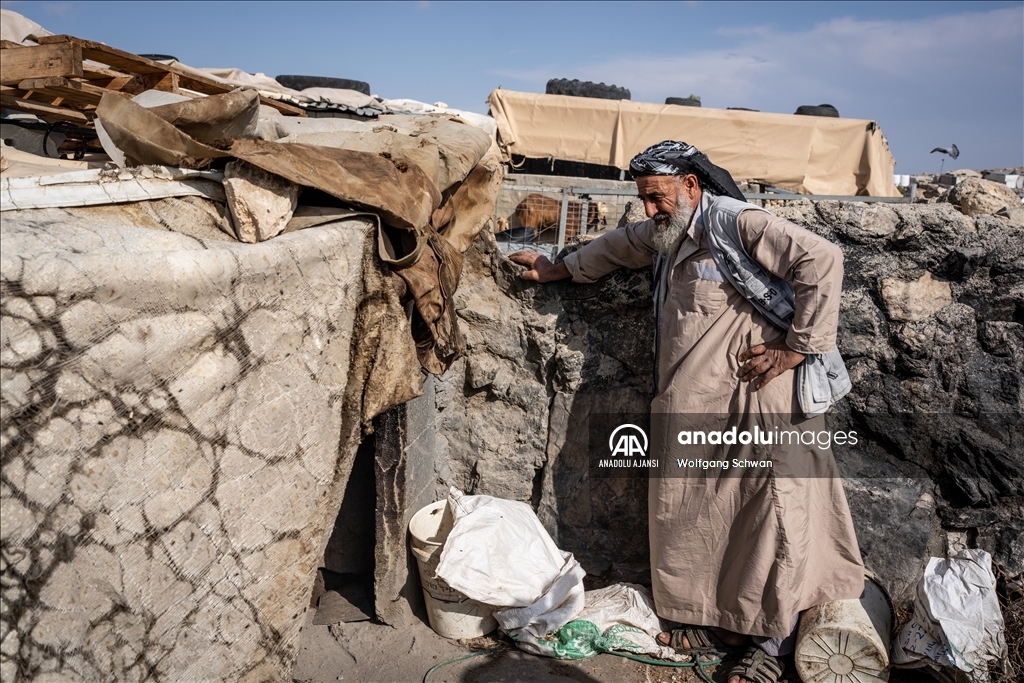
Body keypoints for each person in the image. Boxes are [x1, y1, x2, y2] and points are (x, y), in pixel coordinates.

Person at [509, 141, 865, 683]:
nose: (650, 210)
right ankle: (722, 622)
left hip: (756, 402)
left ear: (692, 186)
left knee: (769, 516)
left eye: (658, 198)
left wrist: (797, 346)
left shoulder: (735, 221)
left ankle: (771, 643)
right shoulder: (668, 231)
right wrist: (559, 269)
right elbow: (622, 244)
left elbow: (823, 258)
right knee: (701, 516)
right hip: (698, 404)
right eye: (644, 199)